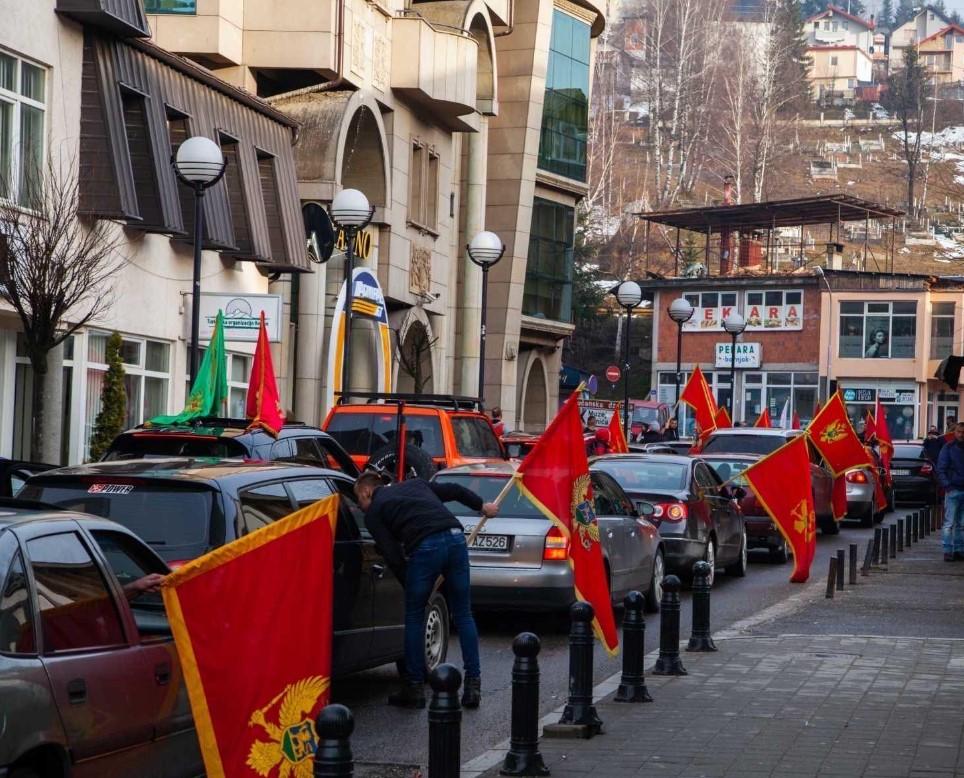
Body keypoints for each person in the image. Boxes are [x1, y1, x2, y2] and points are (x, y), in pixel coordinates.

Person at [354, 472, 497, 708]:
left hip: (425, 545)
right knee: (463, 614)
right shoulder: (417, 484)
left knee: (414, 616)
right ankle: (473, 686)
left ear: (366, 491)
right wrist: (482, 506)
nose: (361, 508)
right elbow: (454, 489)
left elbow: (392, 555)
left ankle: (414, 688)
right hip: (455, 537)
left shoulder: (376, 511)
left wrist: (409, 583)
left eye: (360, 502)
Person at [936, 423, 964, 562]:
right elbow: (941, 468)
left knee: (962, 524)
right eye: (959, 432)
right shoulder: (948, 448)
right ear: (955, 432)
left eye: (963, 432)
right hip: (953, 489)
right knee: (949, 523)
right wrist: (948, 486)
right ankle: (948, 550)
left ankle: (959, 550)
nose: (961, 434)